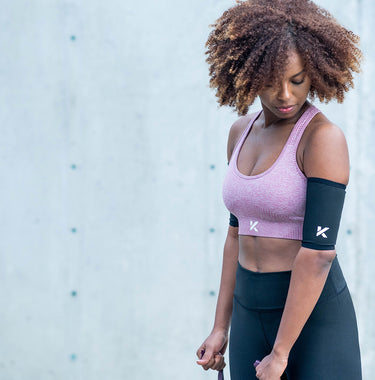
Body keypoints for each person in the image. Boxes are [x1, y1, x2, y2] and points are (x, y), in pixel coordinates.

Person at [195, 0, 363, 379]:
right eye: (271, 82)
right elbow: (236, 234)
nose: (285, 95)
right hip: (249, 309)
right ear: (249, 74)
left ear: (314, 74)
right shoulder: (240, 132)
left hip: (313, 321)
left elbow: (318, 254)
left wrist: (281, 353)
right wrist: (221, 326)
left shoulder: (321, 139)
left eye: (297, 80)